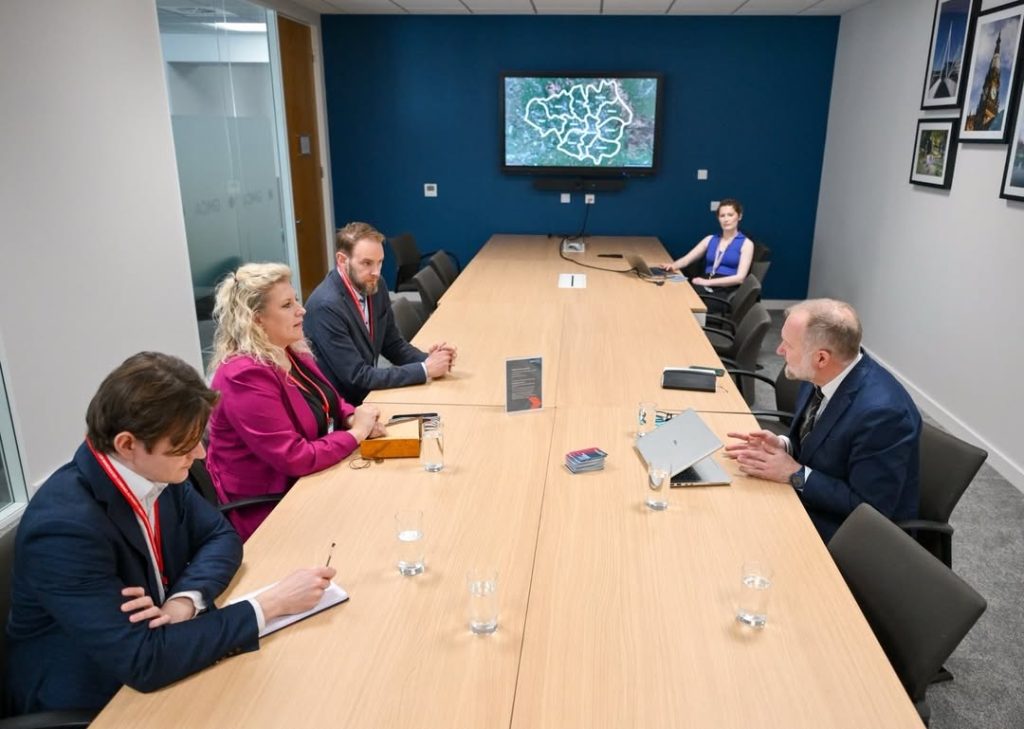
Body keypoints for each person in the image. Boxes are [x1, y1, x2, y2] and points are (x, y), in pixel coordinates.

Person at [6, 352, 337, 714]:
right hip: (96, 695)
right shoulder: (63, 530)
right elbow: (143, 660)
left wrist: (183, 602)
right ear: (127, 445)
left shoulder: (155, 470)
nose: (199, 454)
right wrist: (272, 604)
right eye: (183, 444)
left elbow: (221, 537)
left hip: (167, 648)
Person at [206, 263, 382, 541]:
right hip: (273, 508)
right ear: (256, 319)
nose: (302, 310)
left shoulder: (290, 350)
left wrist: (351, 417)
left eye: (296, 300)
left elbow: (331, 401)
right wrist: (357, 433)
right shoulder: (243, 375)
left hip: (312, 482)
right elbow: (293, 457)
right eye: (287, 305)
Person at [724, 299, 921, 542]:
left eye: (788, 345)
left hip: (848, 531)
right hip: (811, 497)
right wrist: (784, 446)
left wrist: (794, 473)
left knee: (741, 532)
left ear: (821, 359)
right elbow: (818, 441)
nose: (779, 351)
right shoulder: (823, 374)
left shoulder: (883, 415)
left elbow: (868, 508)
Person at [303, 221, 457, 406]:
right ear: (342, 261)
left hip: (370, 394)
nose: (376, 272)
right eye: (367, 263)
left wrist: (431, 360)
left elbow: (392, 344)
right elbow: (357, 377)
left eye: (380, 262)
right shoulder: (326, 306)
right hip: (343, 407)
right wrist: (424, 369)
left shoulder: (375, 284)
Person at [663, 198, 754, 313]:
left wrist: (706, 282)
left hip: (724, 289)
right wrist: (673, 266)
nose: (726, 219)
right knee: (677, 296)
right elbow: (687, 259)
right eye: (722, 216)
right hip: (704, 284)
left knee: (689, 305)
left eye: (730, 215)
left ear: (739, 216)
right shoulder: (710, 239)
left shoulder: (746, 244)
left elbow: (740, 278)